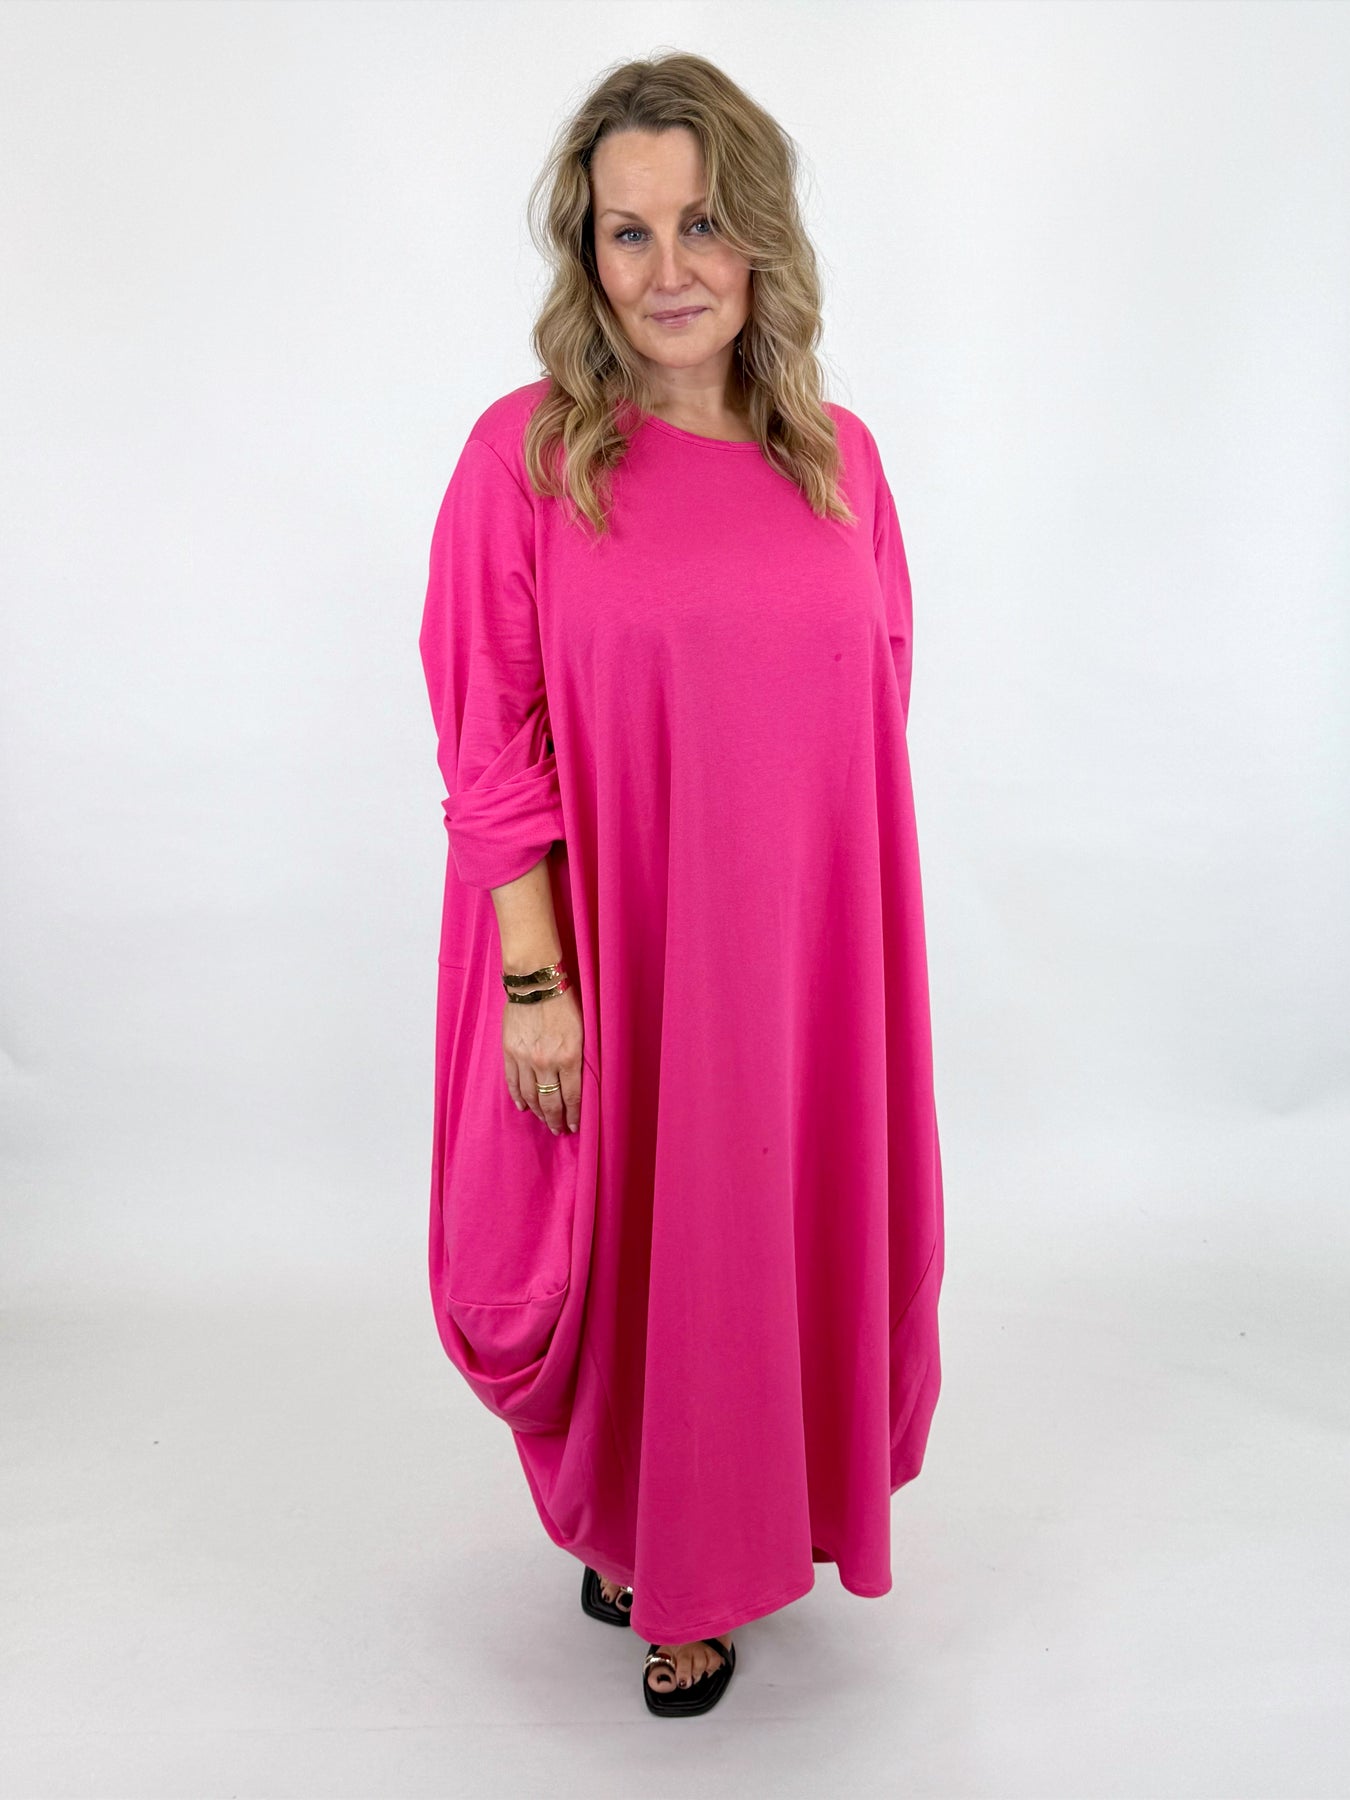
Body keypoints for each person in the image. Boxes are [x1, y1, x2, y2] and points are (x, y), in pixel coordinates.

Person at [417, 51, 944, 1719]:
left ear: (759, 235)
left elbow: (872, 706)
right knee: (644, 1245)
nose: (666, 271)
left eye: (700, 224)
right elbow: (488, 745)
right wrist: (537, 980)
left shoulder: (839, 459)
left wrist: (809, 919)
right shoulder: (527, 459)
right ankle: (670, 1558)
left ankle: (729, 1525)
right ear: (584, 255)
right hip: (620, 946)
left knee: (767, 1230)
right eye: (625, 232)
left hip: (807, 953)